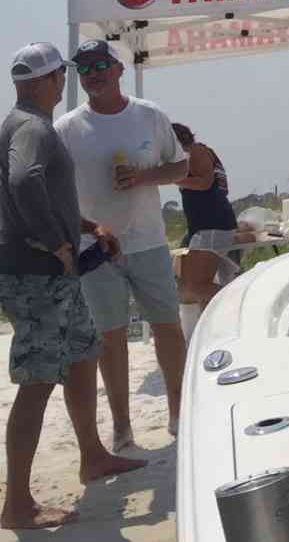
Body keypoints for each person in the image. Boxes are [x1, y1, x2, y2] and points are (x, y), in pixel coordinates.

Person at [1, 44, 145, 530]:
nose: (65, 83)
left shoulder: (19, 124)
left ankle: (93, 455)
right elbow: (23, 182)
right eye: (62, 74)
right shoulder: (33, 127)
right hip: (36, 276)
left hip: (47, 272)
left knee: (85, 351)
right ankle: (18, 504)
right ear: (49, 79)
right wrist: (54, 241)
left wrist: (85, 227)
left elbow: (33, 190)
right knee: (38, 381)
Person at [56, 39, 189, 450]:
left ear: (117, 69)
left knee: (167, 326)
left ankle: (179, 412)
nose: (92, 74)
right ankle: (122, 424)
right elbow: (54, 189)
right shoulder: (66, 128)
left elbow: (182, 165)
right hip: (95, 249)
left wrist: (145, 177)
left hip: (148, 240)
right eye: (84, 69)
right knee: (110, 337)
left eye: (99, 65)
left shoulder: (149, 115)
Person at [172, 123, 238, 308]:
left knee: (193, 287)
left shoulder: (196, 152)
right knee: (186, 288)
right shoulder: (194, 154)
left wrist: (172, 178)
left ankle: (240, 300)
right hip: (204, 226)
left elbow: (205, 182)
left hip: (212, 225)